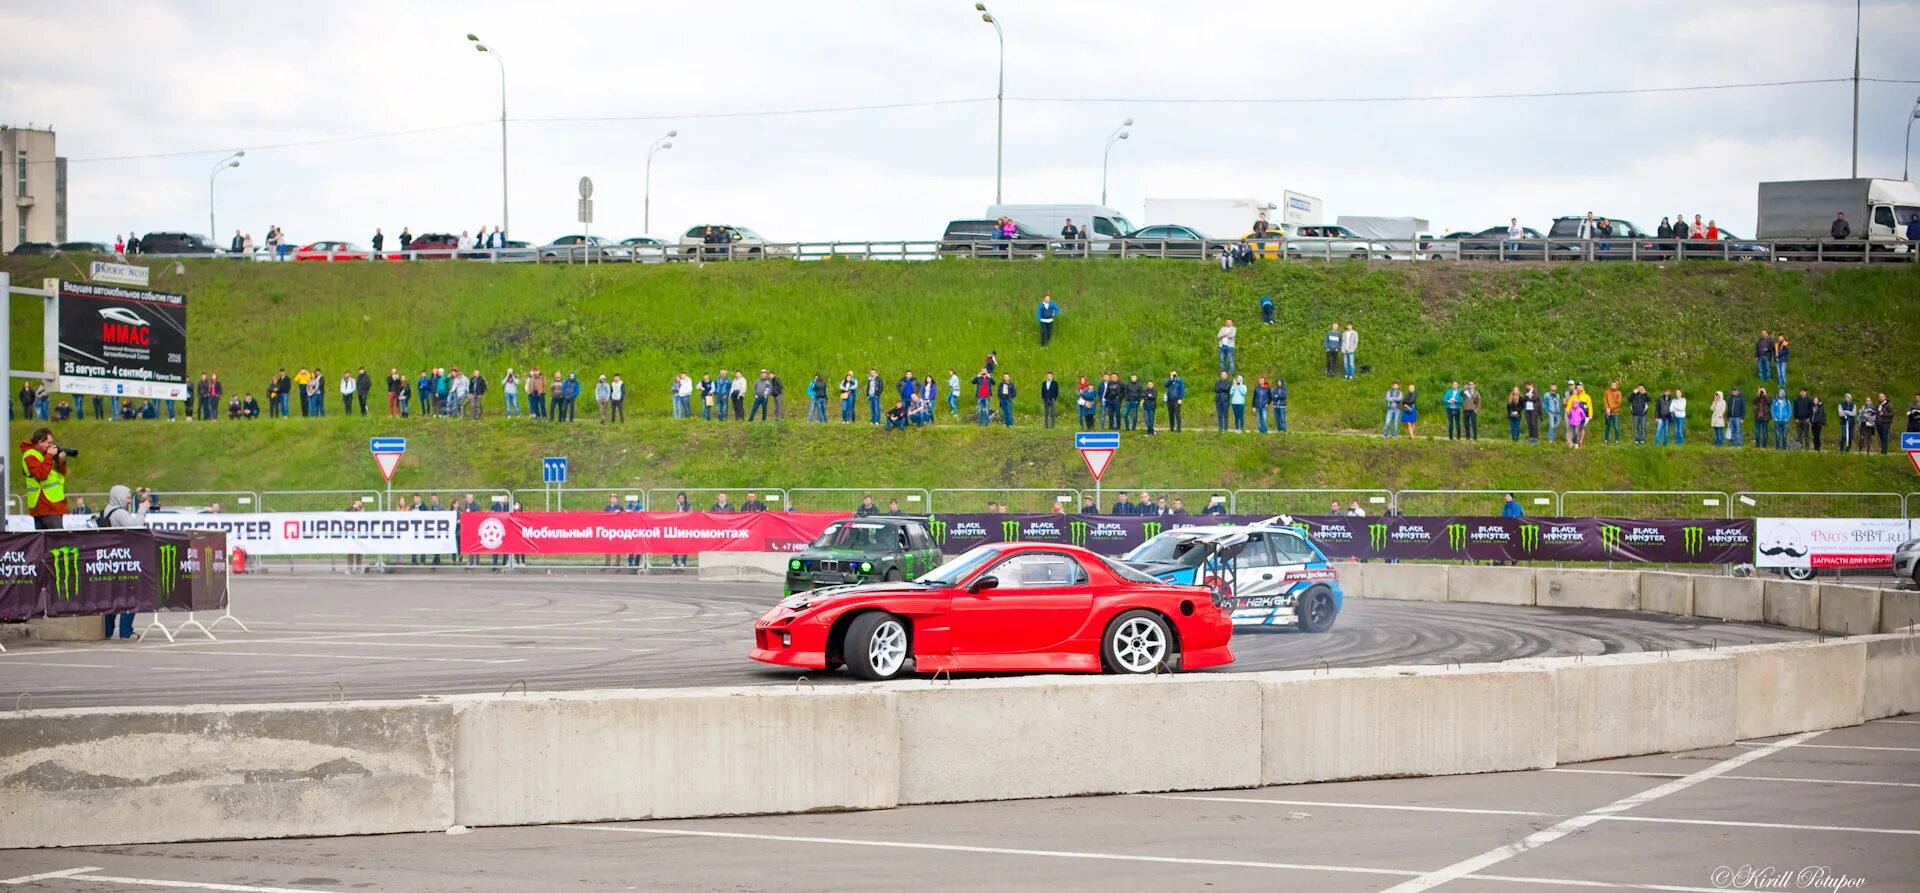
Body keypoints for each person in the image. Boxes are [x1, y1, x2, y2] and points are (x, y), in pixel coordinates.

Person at [95, 484, 149, 639]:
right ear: (119, 497)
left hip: (112, 559)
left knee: (112, 596)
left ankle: (107, 631)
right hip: (124, 559)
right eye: (127, 497)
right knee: (131, 595)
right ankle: (126, 631)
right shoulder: (119, 513)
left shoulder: (106, 510)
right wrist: (142, 510)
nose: (129, 501)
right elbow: (136, 526)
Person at [19, 428, 70, 529]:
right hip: (45, 505)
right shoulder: (31, 456)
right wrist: (49, 455)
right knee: (58, 540)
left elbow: (62, 473)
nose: (52, 446)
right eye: (49, 443)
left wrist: (61, 462)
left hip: (52, 505)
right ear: (40, 442)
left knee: (47, 541)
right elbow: (41, 475)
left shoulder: (45, 454)